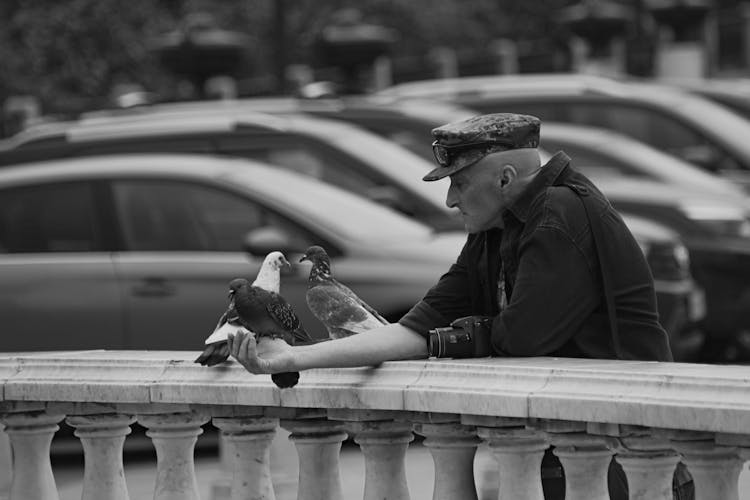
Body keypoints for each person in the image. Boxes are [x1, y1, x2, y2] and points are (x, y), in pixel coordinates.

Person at [227, 113, 686, 499]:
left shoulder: (560, 213)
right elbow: (412, 331)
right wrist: (288, 359)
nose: (449, 200)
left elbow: (519, 339)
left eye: (460, 184)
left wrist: (459, 337)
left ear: (505, 179)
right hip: (570, 455)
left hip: (630, 460)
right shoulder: (494, 229)